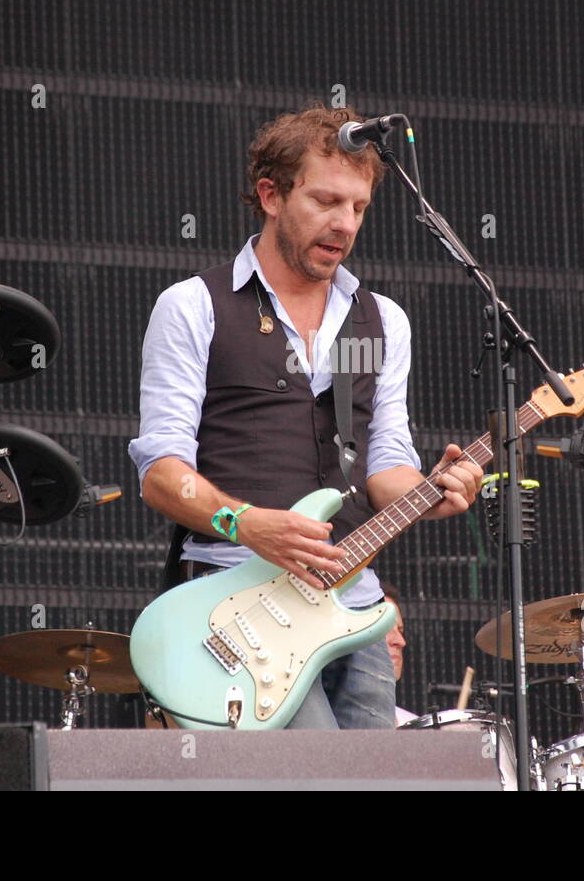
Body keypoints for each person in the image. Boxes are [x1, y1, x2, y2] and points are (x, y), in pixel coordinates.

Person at [128, 103, 482, 729]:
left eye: (359, 208)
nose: (344, 224)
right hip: (236, 604)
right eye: (325, 201)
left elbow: (385, 467)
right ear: (270, 194)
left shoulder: (382, 321)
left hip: (356, 603)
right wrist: (246, 522)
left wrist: (436, 491)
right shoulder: (194, 306)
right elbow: (161, 472)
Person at [380, 580, 419, 726]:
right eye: (384, 629)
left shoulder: (414, 728)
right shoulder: (326, 724)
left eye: (400, 630)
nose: (400, 641)